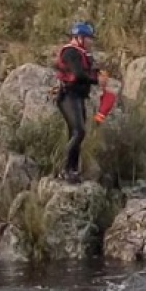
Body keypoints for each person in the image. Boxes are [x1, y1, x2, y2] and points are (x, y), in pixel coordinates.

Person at [52, 21, 116, 183]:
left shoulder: (81, 53)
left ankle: (72, 169)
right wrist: (97, 80)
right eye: (88, 38)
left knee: (75, 133)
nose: (91, 42)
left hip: (77, 96)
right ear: (79, 37)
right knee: (79, 132)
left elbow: (85, 71)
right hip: (68, 96)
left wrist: (97, 73)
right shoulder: (71, 52)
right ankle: (66, 169)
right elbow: (79, 74)